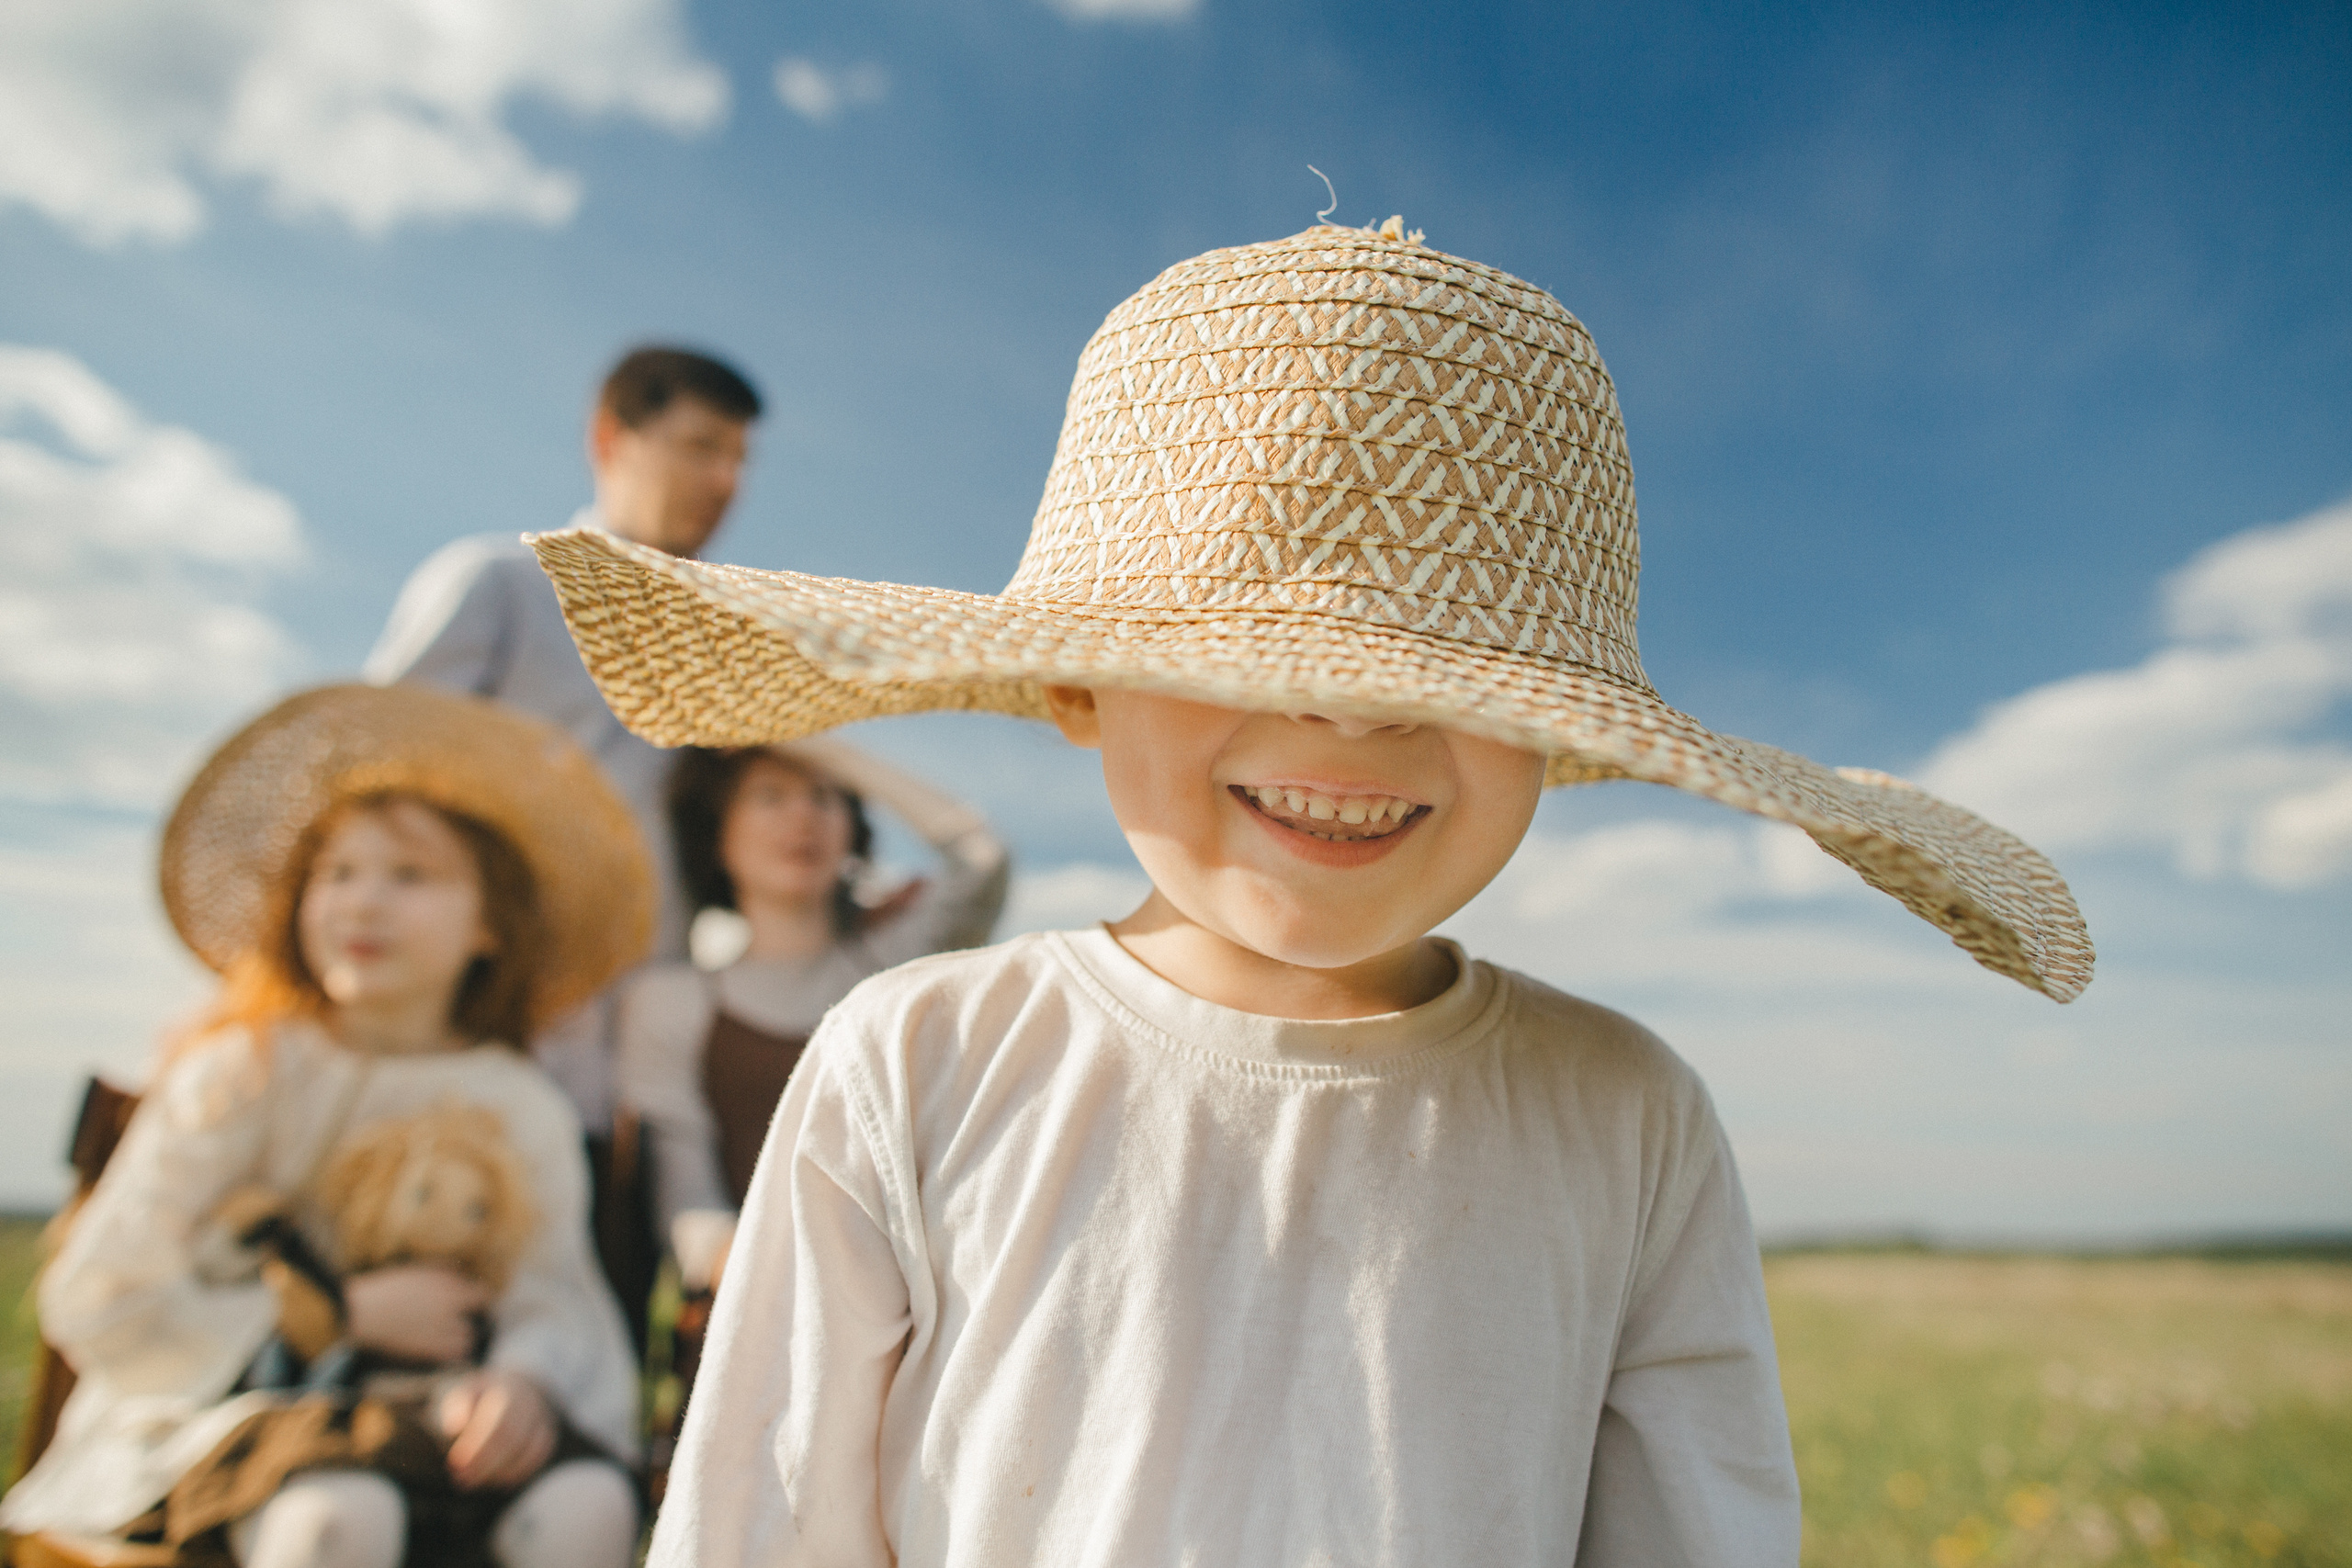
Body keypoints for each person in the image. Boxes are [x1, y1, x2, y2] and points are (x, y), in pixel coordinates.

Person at [528, 224, 2096, 1564]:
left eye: (1451, 675)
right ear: (1080, 684)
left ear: (1560, 734)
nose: (1350, 723)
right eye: (1238, 661)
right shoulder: (916, 1059)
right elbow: (764, 1521)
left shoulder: (1630, 1113)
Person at [0, 684, 652, 1568]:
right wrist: (337, 1313)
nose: (363, 903)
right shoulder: (244, 1072)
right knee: (337, 1513)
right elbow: (102, 1292)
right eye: (337, 873)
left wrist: (524, 1377)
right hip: (236, 1412)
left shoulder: (516, 1099)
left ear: (490, 926)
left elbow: (552, 1288)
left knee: (587, 1507)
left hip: (443, 1417)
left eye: (409, 875)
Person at [363, 345, 763, 1131]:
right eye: (702, 446)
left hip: (633, 1089)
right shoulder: (499, 585)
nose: (727, 482)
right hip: (465, 1050)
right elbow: (374, 782)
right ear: (610, 440)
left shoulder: (735, 646)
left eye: (741, 459)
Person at [618, 738, 1007, 1305]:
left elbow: (982, 857)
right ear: (716, 834)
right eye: (769, 796)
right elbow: (687, 1209)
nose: (802, 816)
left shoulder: (898, 972)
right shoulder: (671, 1002)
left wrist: (826, 746)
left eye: (825, 798)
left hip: (916, 1312)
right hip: (749, 1317)